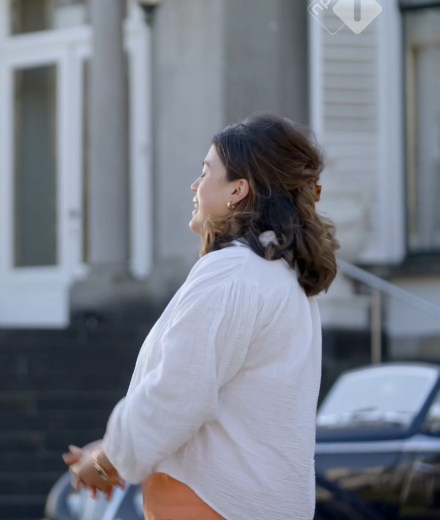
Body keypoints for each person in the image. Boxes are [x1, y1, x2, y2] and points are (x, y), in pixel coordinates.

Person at [64, 113, 339, 519]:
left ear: (238, 190)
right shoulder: (281, 278)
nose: (195, 185)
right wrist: (114, 450)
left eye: (206, 172)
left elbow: (177, 393)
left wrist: (107, 460)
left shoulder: (232, 273)